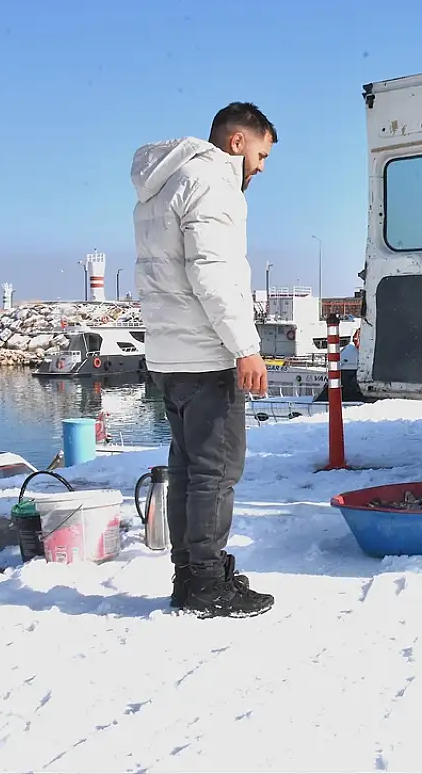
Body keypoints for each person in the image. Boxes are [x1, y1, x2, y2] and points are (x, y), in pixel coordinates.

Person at [131, 101, 277, 618]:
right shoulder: (213, 181)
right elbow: (211, 275)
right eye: (260, 154)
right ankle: (208, 585)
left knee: (189, 469)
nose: (259, 168)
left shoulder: (164, 183)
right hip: (207, 352)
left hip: (172, 355)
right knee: (215, 471)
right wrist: (246, 346)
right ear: (237, 141)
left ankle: (189, 578)